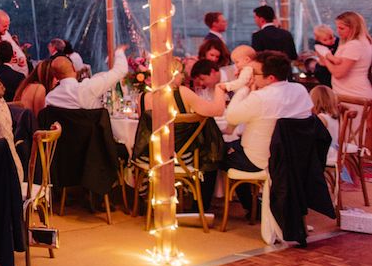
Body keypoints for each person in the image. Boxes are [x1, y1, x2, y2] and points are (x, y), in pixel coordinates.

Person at [222, 51, 312, 213]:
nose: (252, 77)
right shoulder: (300, 91)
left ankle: (249, 206)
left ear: (270, 78)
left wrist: (243, 89)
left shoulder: (261, 97)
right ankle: (255, 204)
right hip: (293, 159)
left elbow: (232, 116)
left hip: (260, 160)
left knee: (216, 153)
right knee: (232, 146)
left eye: (255, 73)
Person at [134, 64, 226, 210]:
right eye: (181, 73)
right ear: (175, 74)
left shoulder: (142, 97)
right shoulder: (182, 92)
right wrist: (220, 90)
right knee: (208, 154)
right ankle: (199, 207)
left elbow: (145, 131)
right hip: (181, 159)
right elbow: (218, 110)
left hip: (151, 158)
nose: (183, 77)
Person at [45, 47, 128, 110]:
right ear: (74, 68)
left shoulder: (50, 99)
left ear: (55, 76)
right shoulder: (87, 88)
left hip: (63, 133)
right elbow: (120, 70)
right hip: (94, 132)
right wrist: (119, 51)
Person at [319, 11, 372, 100]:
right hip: (348, 91)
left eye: (342, 28)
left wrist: (325, 57)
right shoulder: (363, 42)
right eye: (337, 28)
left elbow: (338, 73)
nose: (338, 31)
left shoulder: (355, 45)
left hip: (353, 93)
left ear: (353, 28)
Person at [310, 85, 340, 164]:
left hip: (325, 152)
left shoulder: (321, 118)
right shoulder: (332, 116)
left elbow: (314, 138)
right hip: (334, 150)